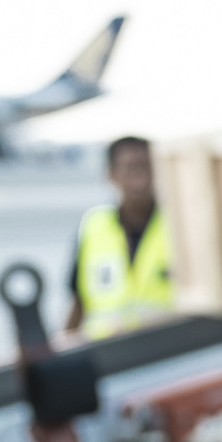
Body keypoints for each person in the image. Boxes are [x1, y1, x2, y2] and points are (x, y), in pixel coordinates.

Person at [65, 134, 170, 340]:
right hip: (107, 353)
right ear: (112, 174)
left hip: (169, 351)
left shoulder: (178, 225)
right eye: (130, 168)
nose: (140, 177)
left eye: (146, 167)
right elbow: (79, 301)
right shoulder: (93, 226)